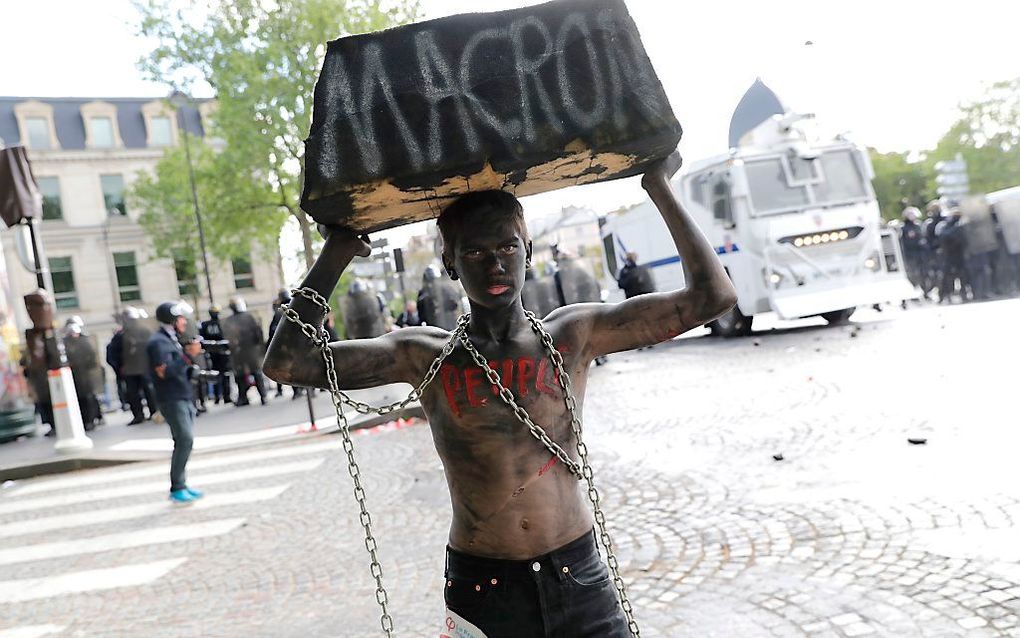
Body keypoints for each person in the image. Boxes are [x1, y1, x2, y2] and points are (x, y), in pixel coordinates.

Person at [264, 152, 737, 638]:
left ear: (528, 250)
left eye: (508, 248)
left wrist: (658, 187)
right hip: (485, 589)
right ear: (449, 262)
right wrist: (338, 251)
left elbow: (712, 298)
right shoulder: (424, 355)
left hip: (577, 575)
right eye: (474, 252)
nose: (495, 264)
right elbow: (287, 362)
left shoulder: (573, 336)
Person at [147, 301, 204, 504]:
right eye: (180, 318)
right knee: (184, 439)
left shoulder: (171, 339)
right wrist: (188, 356)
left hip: (182, 394)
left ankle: (181, 484)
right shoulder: (158, 343)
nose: (183, 322)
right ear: (172, 320)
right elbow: (163, 372)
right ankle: (177, 486)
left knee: (184, 441)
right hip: (172, 397)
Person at [223, 296, 268, 406]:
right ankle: (262, 396)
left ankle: (244, 398)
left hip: (240, 351)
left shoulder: (230, 320)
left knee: (241, 375)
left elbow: (228, 338)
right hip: (250, 350)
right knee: (255, 373)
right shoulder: (249, 317)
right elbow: (258, 334)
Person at [62, 318, 103, 430]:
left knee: (88, 398)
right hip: (74, 376)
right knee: (81, 399)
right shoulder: (66, 343)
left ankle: (91, 419)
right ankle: (86, 420)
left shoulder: (84, 342)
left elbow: (92, 359)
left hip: (85, 376)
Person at [120, 306, 158, 425]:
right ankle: (138, 415)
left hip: (145, 366)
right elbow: (115, 352)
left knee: (149, 390)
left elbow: (153, 347)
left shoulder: (145, 331)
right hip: (130, 369)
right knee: (132, 393)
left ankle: (154, 412)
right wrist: (120, 366)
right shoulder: (121, 335)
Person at [199, 305, 233, 404]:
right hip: (219, 353)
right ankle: (224, 396)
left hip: (214, 353)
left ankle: (219, 396)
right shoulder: (222, 323)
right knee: (222, 375)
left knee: (217, 375)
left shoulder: (206, 324)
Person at [936, 208, 968, 303]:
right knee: (948, 278)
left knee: (961, 277)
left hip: (958, 255)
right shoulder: (947, 227)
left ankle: (962, 295)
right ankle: (947, 296)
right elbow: (944, 239)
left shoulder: (957, 227)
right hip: (950, 256)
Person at [899, 207, 925, 291]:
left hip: (920, 253)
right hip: (909, 254)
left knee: (922, 272)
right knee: (912, 272)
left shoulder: (918, 226)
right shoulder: (903, 228)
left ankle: (923, 290)